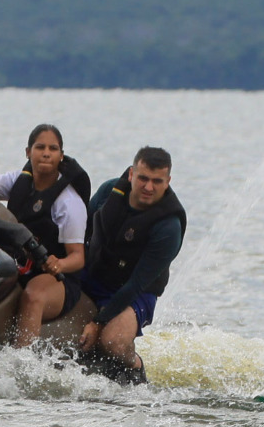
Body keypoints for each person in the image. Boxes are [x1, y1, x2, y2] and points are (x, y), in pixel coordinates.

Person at [0, 125, 90, 347]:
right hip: (19, 265)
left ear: (61, 156)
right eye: (40, 147)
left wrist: (59, 265)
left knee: (33, 295)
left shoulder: (69, 204)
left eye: (53, 149)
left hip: (57, 278)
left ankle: (20, 364)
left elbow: (78, 257)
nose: (45, 153)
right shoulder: (18, 180)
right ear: (27, 152)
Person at [78, 146, 186, 375]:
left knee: (113, 343)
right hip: (95, 272)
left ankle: (135, 366)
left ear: (167, 182)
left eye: (157, 181)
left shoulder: (169, 227)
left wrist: (98, 322)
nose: (148, 187)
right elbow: (80, 230)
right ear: (131, 174)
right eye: (143, 178)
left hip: (136, 292)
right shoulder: (109, 191)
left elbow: (137, 283)